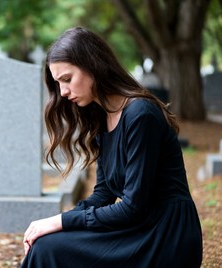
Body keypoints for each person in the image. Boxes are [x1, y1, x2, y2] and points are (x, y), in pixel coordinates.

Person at [21, 27, 202, 268]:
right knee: (45, 243)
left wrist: (61, 222)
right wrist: (54, 223)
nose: (63, 92)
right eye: (58, 83)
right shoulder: (101, 118)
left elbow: (132, 208)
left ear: (93, 65)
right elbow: (104, 193)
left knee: (48, 248)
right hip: (139, 228)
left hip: (166, 235)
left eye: (67, 79)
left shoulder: (140, 114)